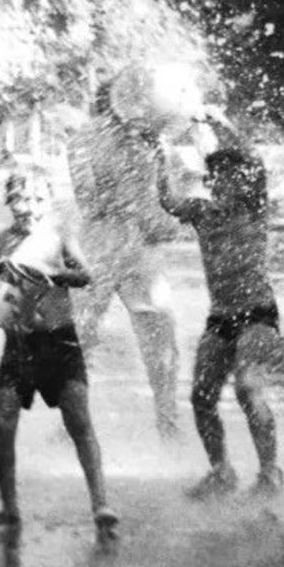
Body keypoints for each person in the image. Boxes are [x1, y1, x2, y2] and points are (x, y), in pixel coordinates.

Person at [0, 169, 117, 544]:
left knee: (78, 421)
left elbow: (87, 275)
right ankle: (9, 508)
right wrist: (2, 307)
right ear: (8, 202)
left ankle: (101, 504)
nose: (29, 207)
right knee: (2, 425)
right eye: (21, 199)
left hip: (60, 343)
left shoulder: (59, 236)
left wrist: (48, 273)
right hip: (18, 345)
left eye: (38, 199)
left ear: (50, 201)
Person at [154, 111, 282, 499]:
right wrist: (160, 160)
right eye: (220, 177)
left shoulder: (253, 208)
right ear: (212, 181)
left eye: (236, 176)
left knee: (247, 387)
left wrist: (221, 122)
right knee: (201, 397)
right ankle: (221, 471)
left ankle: (270, 473)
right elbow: (168, 202)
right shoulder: (201, 211)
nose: (229, 182)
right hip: (221, 318)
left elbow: (253, 161)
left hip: (259, 314)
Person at [67, 75, 181, 441]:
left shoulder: (156, 140)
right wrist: (131, 197)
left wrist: (167, 217)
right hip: (98, 247)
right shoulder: (85, 139)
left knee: (160, 335)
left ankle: (168, 421)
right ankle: (68, 422)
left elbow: (170, 201)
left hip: (141, 250)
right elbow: (88, 200)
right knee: (80, 336)